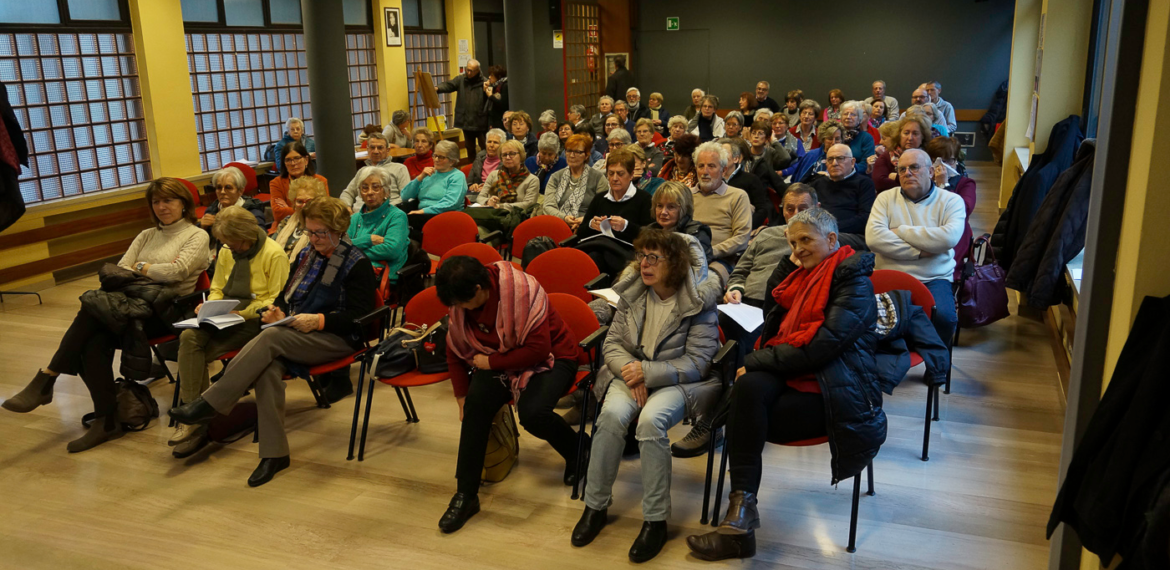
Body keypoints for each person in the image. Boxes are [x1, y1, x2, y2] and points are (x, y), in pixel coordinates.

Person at [687, 208, 886, 561]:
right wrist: (789, 263)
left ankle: (736, 514)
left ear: (831, 239)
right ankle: (740, 515)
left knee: (744, 409)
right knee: (747, 393)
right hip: (795, 373)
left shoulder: (854, 283)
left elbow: (820, 348)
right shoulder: (802, 276)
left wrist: (754, 361)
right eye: (793, 243)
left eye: (806, 240)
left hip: (836, 392)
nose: (799, 248)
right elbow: (773, 317)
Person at [169, 197, 377, 487]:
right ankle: (274, 454)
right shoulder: (309, 256)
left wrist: (318, 321)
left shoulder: (357, 263)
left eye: (320, 233)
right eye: (310, 232)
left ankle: (211, 403)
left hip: (338, 338)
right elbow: (285, 294)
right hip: (300, 333)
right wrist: (277, 311)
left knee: (271, 337)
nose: (314, 238)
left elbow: (361, 317)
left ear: (339, 231)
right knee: (268, 367)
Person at [4, 178, 210, 452]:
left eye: (169, 200)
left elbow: (178, 272)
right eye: (156, 201)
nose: (162, 207)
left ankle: (49, 377)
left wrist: (141, 266)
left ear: (184, 203)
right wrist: (149, 269)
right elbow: (119, 269)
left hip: (164, 312)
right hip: (130, 306)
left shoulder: (197, 235)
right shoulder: (147, 234)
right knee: (93, 340)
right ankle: (105, 419)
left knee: (92, 308)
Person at [572, 229, 720, 563]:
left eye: (654, 257)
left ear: (677, 264)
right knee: (609, 417)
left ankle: (655, 520)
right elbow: (611, 344)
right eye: (642, 256)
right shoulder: (634, 294)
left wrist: (647, 372)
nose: (645, 264)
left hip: (679, 382)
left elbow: (698, 362)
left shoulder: (697, 302)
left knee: (651, 422)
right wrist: (632, 370)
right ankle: (594, 506)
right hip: (633, 373)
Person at [434, 256, 585, 533]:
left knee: (533, 413)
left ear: (480, 289)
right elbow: (454, 350)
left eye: (462, 303)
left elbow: (539, 350)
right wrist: (461, 397)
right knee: (475, 408)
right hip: (500, 358)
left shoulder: (521, 292)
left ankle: (579, 451)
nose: (458, 310)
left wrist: (490, 363)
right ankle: (466, 495)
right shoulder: (461, 303)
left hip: (553, 356)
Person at [170, 206, 290, 458]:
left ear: (247, 235)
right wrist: (210, 305)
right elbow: (217, 287)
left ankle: (199, 421)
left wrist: (242, 314)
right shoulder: (227, 250)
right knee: (189, 337)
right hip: (224, 315)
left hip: (254, 321)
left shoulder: (273, 254)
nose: (229, 248)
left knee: (195, 353)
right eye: (226, 243)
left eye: (233, 243)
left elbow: (275, 300)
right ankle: (196, 416)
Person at [866, 148, 965, 349]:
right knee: (863, 316)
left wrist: (900, 230)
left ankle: (936, 363)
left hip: (934, 278)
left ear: (931, 171)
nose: (907, 173)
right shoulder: (885, 199)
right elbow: (874, 239)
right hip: (889, 276)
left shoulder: (951, 201)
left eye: (914, 167)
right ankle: (885, 364)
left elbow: (948, 238)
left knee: (945, 319)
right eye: (901, 169)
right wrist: (921, 251)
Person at [574, 147, 655, 278]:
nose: (614, 178)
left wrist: (626, 226)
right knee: (590, 258)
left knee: (593, 260)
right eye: (611, 173)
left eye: (620, 173)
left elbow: (651, 236)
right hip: (598, 250)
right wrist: (591, 225)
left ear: (631, 174)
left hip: (626, 257)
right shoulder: (600, 199)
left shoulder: (644, 199)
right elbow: (580, 234)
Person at [691, 142, 751, 284]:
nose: (705, 171)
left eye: (711, 166)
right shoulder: (686, 195)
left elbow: (741, 238)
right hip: (685, 256)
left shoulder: (737, 196)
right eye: (701, 166)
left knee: (702, 283)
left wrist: (710, 252)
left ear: (723, 171)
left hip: (721, 260)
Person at [925, 136, 977, 281]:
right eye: (939, 160)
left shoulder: (966, 184)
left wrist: (944, 185)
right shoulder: (923, 181)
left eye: (950, 161)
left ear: (956, 161)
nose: (944, 166)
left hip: (955, 233)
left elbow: (964, 210)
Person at [347, 165, 410, 278]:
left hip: (381, 275)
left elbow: (391, 251)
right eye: (365, 188)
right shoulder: (354, 218)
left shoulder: (397, 216)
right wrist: (370, 239)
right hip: (354, 271)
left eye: (375, 187)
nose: (370, 192)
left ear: (386, 192)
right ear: (360, 193)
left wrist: (353, 250)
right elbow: (342, 246)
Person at [200, 166, 267, 271]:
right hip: (212, 263)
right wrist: (202, 228)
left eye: (228, 187)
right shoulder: (212, 210)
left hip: (242, 263)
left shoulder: (252, 211)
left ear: (240, 191)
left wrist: (224, 224)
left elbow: (259, 239)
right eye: (218, 187)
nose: (222, 192)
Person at [400, 140, 468, 235]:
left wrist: (423, 211)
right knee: (395, 215)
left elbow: (451, 203)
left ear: (452, 161)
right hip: (422, 216)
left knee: (402, 225)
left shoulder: (457, 176)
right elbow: (404, 196)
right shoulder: (429, 173)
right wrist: (420, 178)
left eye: (441, 157)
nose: (436, 159)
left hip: (445, 217)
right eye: (435, 155)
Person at [806, 144, 876, 235]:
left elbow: (865, 218)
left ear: (852, 162)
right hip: (819, 233)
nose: (834, 163)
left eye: (840, 158)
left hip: (851, 234)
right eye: (830, 159)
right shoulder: (817, 184)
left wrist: (830, 228)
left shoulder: (864, 183)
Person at [544, 134, 605, 231]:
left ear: (586, 155)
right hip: (557, 224)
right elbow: (548, 206)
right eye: (569, 151)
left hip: (587, 227)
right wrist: (564, 218)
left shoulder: (598, 178)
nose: (572, 155)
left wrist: (585, 219)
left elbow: (603, 209)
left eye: (577, 152)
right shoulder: (556, 177)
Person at [340, 132, 411, 212]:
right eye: (372, 147)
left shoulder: (399, 168)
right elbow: (347, 193)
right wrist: (347, 209)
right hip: (358, 215)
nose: (376, 151)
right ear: (367, 149)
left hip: (386, 213)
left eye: (380, 148)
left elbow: (406, 196)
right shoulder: (362, 171)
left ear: (387, 150)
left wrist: (386, 209)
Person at [648, 181, 713, 263]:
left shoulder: (697, 234)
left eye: (671, 207)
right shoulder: (650, 230)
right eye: (660, 206)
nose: (663, 212)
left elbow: (697, 270)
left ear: (685, 209)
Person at [435, 60, 488, 158]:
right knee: (469, 148)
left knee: (485, 148)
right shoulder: (461, 80)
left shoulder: (484, 82)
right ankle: (472, 169)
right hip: (466, 122)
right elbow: (449, 85)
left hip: (481, 122)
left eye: (471, 71)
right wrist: (438, 88)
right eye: (467, 70)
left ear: (477, 71)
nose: (468, 73)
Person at [270, 141, 329, 225]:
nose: (293, 163)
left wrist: (288, 208)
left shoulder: (320, 180)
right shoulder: (276, 183)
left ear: (306, 160)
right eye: (288, 160)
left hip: (315, 225)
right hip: (284, 225)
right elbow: (277, 214)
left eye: (297, 158)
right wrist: (309, 209)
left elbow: (324, 210)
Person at [871, 114, 933, 192]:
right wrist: (915, 182)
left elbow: (933, 182)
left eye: (915, 134)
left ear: (923, 137)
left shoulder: (930, 156)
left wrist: (896, 177)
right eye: (906, 133)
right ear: (899, 135)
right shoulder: (886, 156)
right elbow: (879, 183)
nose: (910, 138)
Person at [272, 175, 326, 262]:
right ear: (294, 202)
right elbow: (271, 247)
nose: (304, 205)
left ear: (318, 202)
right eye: (299, 201)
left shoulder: (320, 228)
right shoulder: (286, 221)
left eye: (309, 201)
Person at [721, 137, 771, 228]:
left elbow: (762, 210)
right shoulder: (714, 181)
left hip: (744, 227)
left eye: (724, 153)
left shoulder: (751, 180)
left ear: (736, 159)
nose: (720, 157)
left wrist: (746, 227)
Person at [478, 139, 540, 212]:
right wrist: (488, 201)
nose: (507, 157)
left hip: (517, 218)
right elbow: (480, 197)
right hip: (492, 215)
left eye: (512, 154)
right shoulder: (493, 175)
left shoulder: (532, 180)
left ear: (521, 155)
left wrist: (501, 206)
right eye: (504, 155)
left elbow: (528, 204)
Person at [783, 119, 844, 184]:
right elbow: (798, 182)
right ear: (823, 139)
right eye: (830, 138)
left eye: (837, 139)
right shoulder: (811, 156)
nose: (833, 142)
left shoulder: (846, 157)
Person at [468, 128, 506, 194]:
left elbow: (505, 185)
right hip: (476, 193)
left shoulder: (506, 161)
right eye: (489, 142)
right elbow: (469, 181)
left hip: (495, 194)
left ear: (502, 146)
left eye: (495, 142)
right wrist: (472, 186)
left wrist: (487, 188)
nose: (491, 145)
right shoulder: (479, 157)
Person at [839, 101, 876, 165]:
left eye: (853, 114)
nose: (848, 117)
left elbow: (865, 164)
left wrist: (848, 170)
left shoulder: (866, 138)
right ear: (841, 117)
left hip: (857, 172)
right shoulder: (835, 135)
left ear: (859, 119)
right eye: (845, 114)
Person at [484, 65, 509, 130]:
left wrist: (490, 96)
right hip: (492, 120)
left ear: (498, 76)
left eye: (492, 75)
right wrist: (485, 90)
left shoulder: (504, 85)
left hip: (500, 121)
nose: (489, 77)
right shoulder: (494, 86)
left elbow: (503, 104)